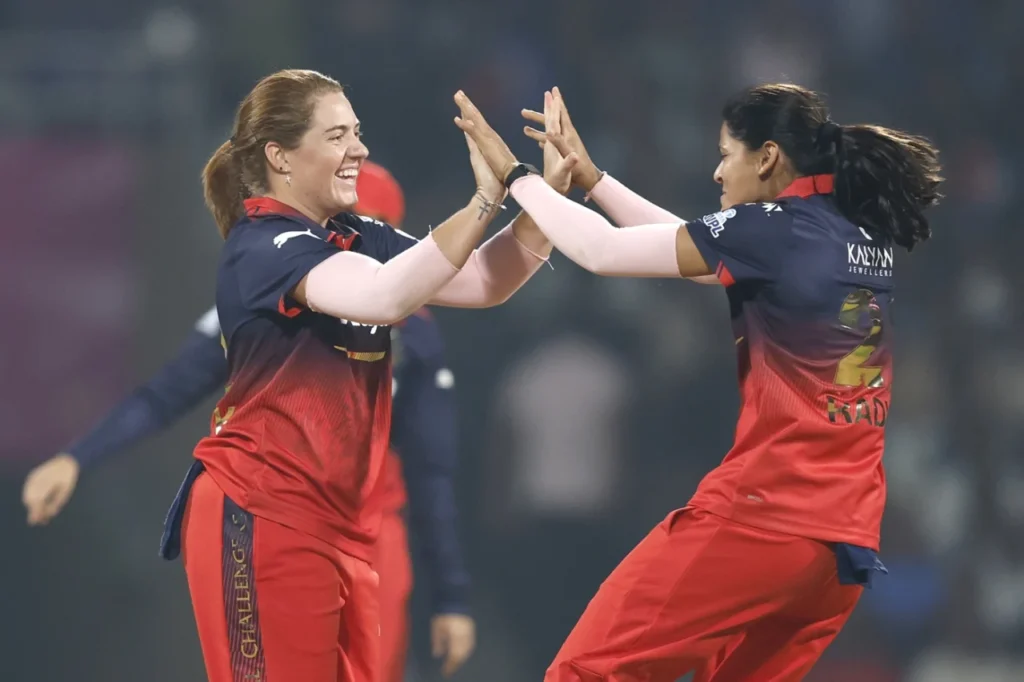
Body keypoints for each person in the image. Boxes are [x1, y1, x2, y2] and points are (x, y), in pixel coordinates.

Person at [462, 84, 942, 681]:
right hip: (839, 552)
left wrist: (518, 178)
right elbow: (696, 251)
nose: (716, 172)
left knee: (586, 671)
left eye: (725, 154)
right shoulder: (854, 234)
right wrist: (594, 181)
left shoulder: (772, 230)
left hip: (763, 520)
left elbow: (601, 251)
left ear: (767, 157)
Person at [167, 69, 574, 682]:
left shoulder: (357, 235)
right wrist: (483, 200)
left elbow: (483, 282)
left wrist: (548, 196)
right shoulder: (263, 245)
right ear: (280, 156)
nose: (359, 149)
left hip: (343, 527)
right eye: (337, 136)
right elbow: (385, 297)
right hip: (263, 511)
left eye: (357, 132)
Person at [21, 160, 477, 680]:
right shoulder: (261, 295)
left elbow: (431, 469)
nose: (354, 248)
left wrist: (452, 595)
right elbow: (165, 394)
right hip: (273, 519)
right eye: (342, 228)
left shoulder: (414, 331)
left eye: (372, 230)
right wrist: (76, 459)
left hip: (368, 538)